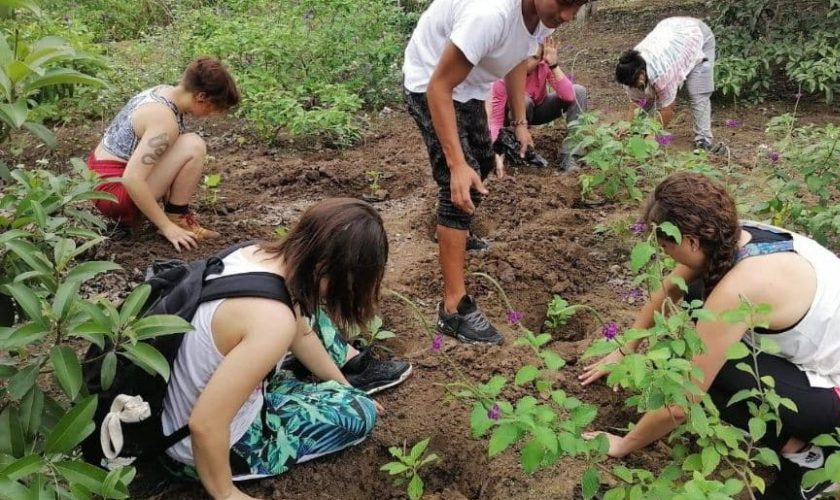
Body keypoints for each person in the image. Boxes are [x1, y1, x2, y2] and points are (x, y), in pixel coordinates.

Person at [578, 173, 840, 499]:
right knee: (699, 321)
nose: (662, 252)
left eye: (665, 244)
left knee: (704, 370)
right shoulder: (734, 235)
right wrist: (626, 349)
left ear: (689, 240)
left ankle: (817, 462)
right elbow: (671, 285)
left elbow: (681, 402)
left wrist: (625, 444)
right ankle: (799, 446)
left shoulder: (743, 286)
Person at [160, 198, 406, 499]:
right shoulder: (273, 321)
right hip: (198, 449)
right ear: (330, 269)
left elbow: (301, 334)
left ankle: (346, 375)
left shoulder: (253, 253)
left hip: (171, 409)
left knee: (311, 319)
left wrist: (344, 385)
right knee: (359, 413)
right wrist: (226, 493)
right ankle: (234, 471)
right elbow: (206, 424)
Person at [403, 0, 590, 345]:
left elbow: (517, 60)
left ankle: (454, 230)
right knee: (459, 183)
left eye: (576, 7)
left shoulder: (541, 16)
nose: (567, 16)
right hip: (430, 82)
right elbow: (438, 88)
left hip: (470, 86)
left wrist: (520, 122)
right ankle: (452, 310)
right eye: (564, 3)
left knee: (485, 164)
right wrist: (457, 165)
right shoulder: (489, 15)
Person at [87, 57, 240, 252]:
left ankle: (175, 215)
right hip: (113, 196)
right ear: (201, 97)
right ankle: (174, 220)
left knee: (185, 142)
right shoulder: (164, 120)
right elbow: (132, 178)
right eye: (216, 107)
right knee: (193, 145)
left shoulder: (161, 92)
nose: (214, 115)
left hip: (96, 181)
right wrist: (167, 228)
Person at [615, 17, 729, 156]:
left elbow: (668, 109)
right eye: (629, 85)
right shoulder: (629, 71)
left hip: (697, 36)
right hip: (670, 31)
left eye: (635, 83)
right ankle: (642, 130)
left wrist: (652, 134)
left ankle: (703, 141)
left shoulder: (663, 72)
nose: (632, 87)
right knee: (647, 94)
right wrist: (628, 126)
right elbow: (637, 102)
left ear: (642, 72)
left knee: (697, 93)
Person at [488, 37, 588, 172]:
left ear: (540, 59)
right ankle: (518, 149)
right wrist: (496, 153)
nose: (528, 62)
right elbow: (496, 122)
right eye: (525, 56)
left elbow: (569, 96)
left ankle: (571, 155)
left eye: (534, 58)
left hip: (538, 110)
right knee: (524, 101)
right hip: (512, 118)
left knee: (579, 92)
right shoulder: (503, 77)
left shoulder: (543, 67)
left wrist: (553, 65)